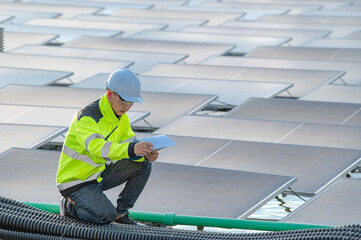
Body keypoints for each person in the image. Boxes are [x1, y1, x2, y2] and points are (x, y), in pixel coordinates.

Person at [56, 68, 158, 225]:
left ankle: (121, 213)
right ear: (110, 93)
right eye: (123, 101)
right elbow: (97, 148)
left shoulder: (120, 117)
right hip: (76, 182)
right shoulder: (87, 117)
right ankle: (70, 206)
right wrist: (132, 149)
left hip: (98, 175)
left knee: (144, 164)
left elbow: (130, 143)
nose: (127, 107)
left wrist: (144, 153)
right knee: (105, 216)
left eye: (131, 103)